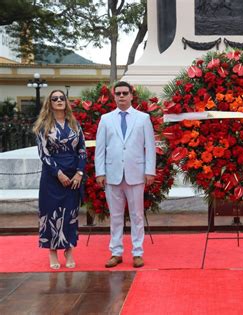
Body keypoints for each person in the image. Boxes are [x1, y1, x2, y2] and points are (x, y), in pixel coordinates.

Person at [95, 81, 156, 268]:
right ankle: (116, 252)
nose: (121, 96)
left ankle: (137, 252)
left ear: (131, 95)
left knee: (137, 215)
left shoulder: (143, 118)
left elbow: (150, 147)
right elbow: (100, 148)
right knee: (115, 215)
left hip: (136, 174)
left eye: (124, 93)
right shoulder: (106, 119)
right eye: (118, 93)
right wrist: (100, 172)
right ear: (113, 96)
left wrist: (149, 171)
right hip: (112, 174)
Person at [33, 90, 87, 269]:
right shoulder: (43, 126)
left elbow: (82, 149)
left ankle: (69, 250)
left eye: (61, 98)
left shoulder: (74, 124)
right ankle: (52, 252)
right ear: (49, 103)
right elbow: (44, 154)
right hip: (52, 177)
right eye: (54, 99)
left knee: (70, 214)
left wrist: (79, 172)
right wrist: (59, 174)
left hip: (73, 177)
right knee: (51, 214)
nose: (58, 101)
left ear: (66, 102)